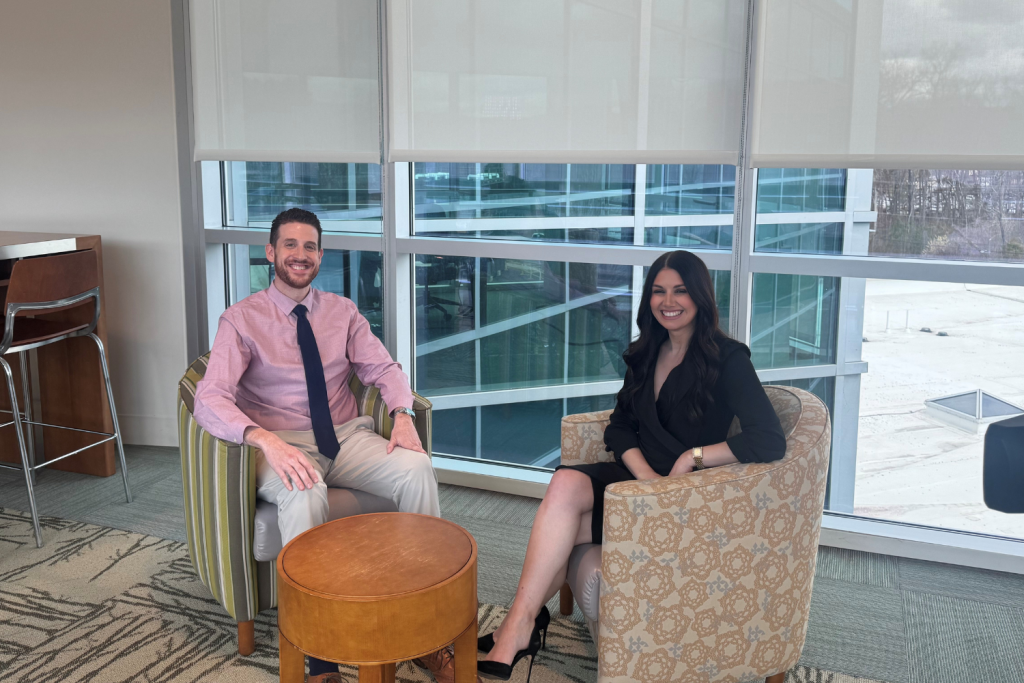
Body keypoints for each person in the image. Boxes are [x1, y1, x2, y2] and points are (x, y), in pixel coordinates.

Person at [477, 250, 787, 681]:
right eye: (658, 291)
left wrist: (690, 458)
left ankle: (518, 627)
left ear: (700, 296)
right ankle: (521, 624)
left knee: (559, 528)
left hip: (688, 495)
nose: (668, 300)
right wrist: (644, 479)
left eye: (680, 290)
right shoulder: (646, 351)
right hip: (639, 480)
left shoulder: (727, 358)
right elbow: (620, 426)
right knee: (565, 484)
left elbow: (768, 438)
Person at [194, 208, 448, 683]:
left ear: (320, 256)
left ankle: (424, 624)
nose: (300, 255)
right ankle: (319, 658)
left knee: (416, 467)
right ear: (270, 253)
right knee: (304, 489)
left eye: (309, 246)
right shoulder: (241, 320)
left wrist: (402, 414)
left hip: (345, 436)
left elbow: (384, 369)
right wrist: (264, 440)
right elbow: (209, 398)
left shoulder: (342, 312)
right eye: (289, 245)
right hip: (281, 442)